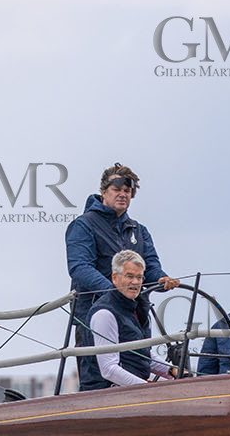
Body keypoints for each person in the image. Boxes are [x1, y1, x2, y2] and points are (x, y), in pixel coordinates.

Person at [65, 164, 180, 390]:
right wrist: (115, 292)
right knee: (99, 377)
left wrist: (162, 280)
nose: (123, 194)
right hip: (96, 314)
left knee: (138, 362)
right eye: (117, 188)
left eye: (128, 191)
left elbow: (151, 269)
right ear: (103, 191)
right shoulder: (83, 225)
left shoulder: (139, 230)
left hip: (135, 315)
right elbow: (79, 267)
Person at [88, 250, 181, 386]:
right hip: (108, 393)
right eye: (129, 276)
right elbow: (108, 369)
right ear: (114, 278)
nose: (135, 282)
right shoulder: (105, 314)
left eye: (139, 277)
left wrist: (171, 370)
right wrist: (148, 389)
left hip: (135, 389)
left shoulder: (137, 308)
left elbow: (142, 354)